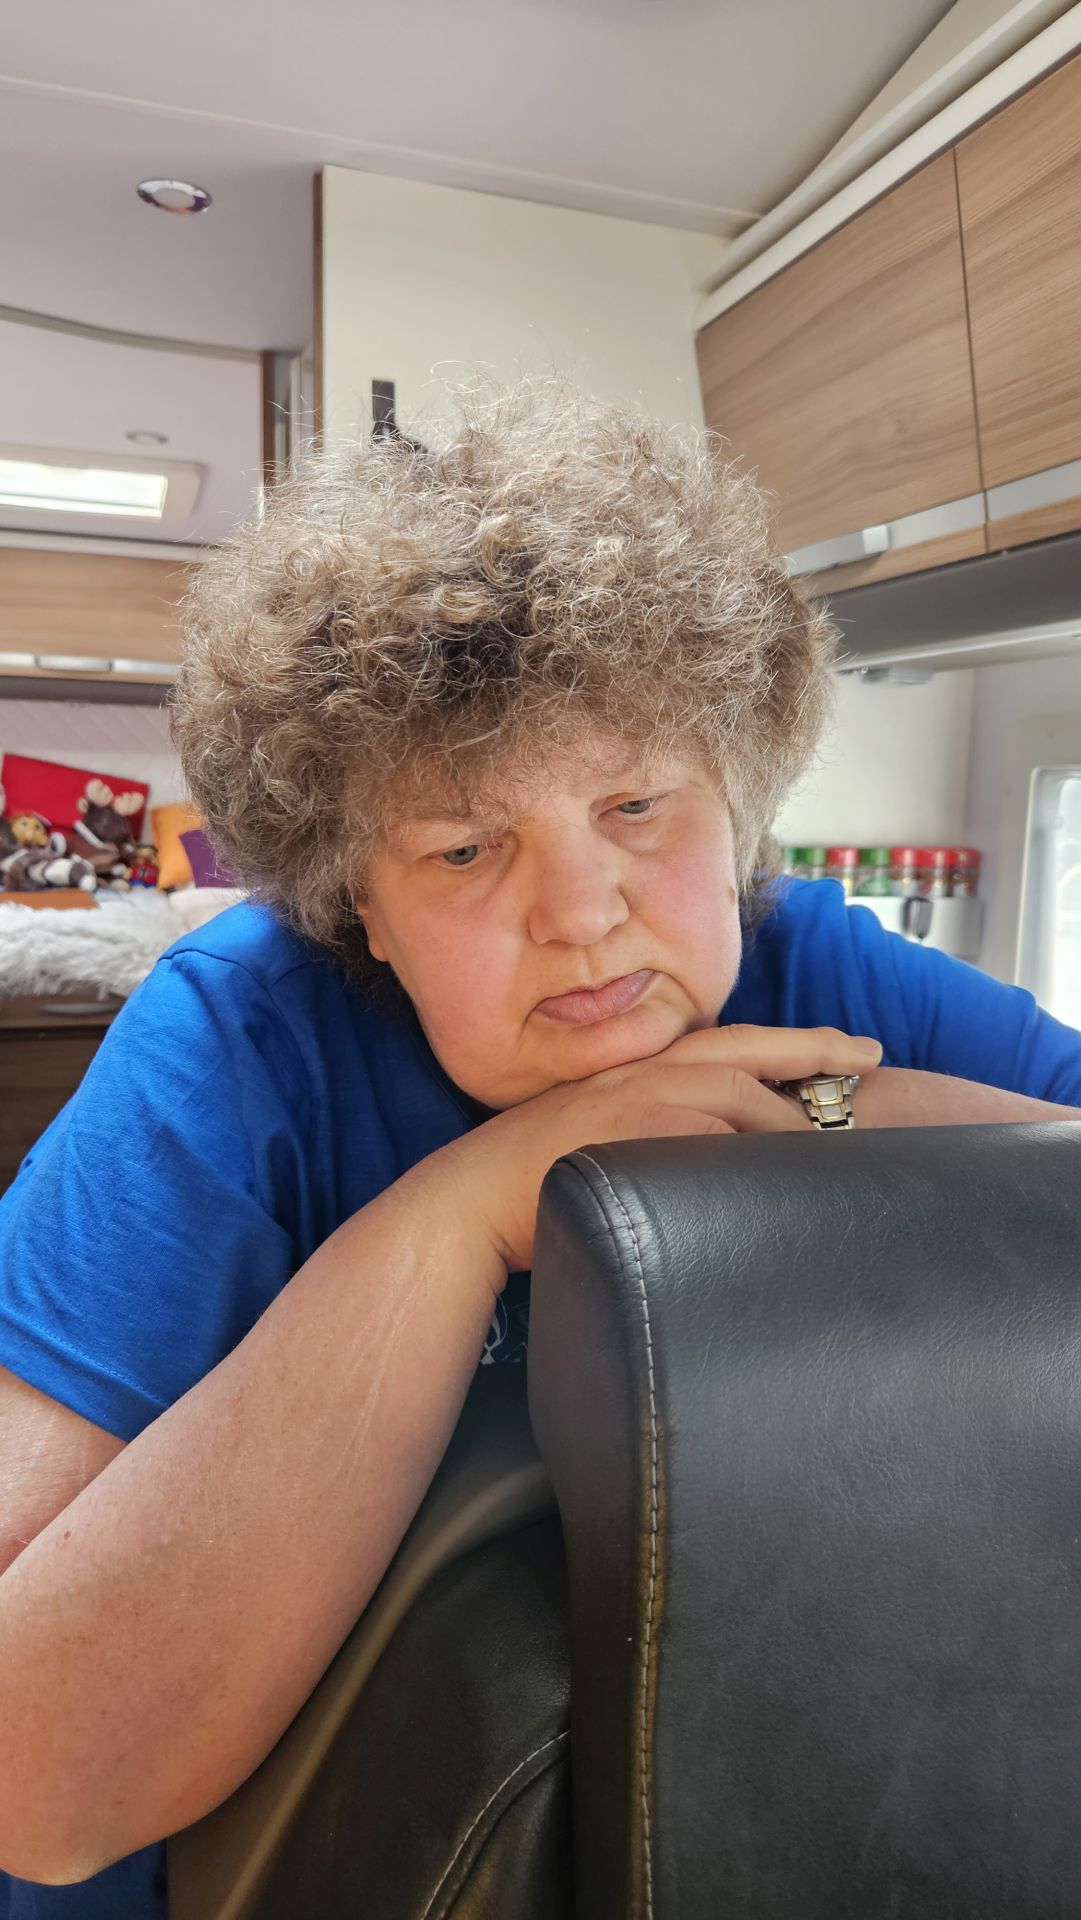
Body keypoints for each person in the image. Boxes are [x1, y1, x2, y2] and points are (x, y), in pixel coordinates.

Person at [0, 383, 1079, 1918]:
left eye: (635, 804)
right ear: (357, 903)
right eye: (461, 847)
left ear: (736, 804)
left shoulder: (820, 973)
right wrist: (463, 1215)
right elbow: (37, 1784)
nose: (580, 912)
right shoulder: (234, 1045)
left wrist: (811, 1114)